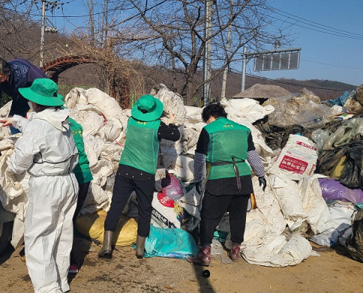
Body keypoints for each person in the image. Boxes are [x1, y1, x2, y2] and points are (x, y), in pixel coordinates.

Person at [2, 78, 78, 293]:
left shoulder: (38, 125)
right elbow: (41, 128)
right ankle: (60, 280)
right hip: (68, 180)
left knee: (39, 235)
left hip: (47, 185)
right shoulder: (62, 119)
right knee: (61, 232)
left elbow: (21, 160)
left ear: (35, 102)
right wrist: (17, 121)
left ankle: (47, 292)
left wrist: (12, 167)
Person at [98, 94, 180, 259]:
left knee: (116, 206)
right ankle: (140, 249)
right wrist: (172, 122)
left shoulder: (131, 122)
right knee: (144, 209)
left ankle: (106, 246)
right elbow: (175, 135)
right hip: (144, 173)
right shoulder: (158, 126)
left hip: (125, 170)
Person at [187, 103, 267, 266]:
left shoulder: (209, 130)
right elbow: (252, 155)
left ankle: (204, 254)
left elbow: (200, 159)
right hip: (243, 180)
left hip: (219, 179)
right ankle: (236, 249)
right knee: (238, 216)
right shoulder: (243, 130)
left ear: (210, 117)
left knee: (208, 217)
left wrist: (198, 180)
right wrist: (261, 174)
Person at [0, 57, 49, 138]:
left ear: (8, 72)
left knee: (40, 121)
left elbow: (46, 87)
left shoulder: (27, 72)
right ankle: (18, 141)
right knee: (12, 121)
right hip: (19, 97)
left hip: (38, 95)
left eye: (0, 79)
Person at [67, 117, 94, 274]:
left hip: (72, 175)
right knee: (71, 218)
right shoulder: (75, 124)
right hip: (84, 175)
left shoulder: (54, 124)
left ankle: (71, 261)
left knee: (66, 220)